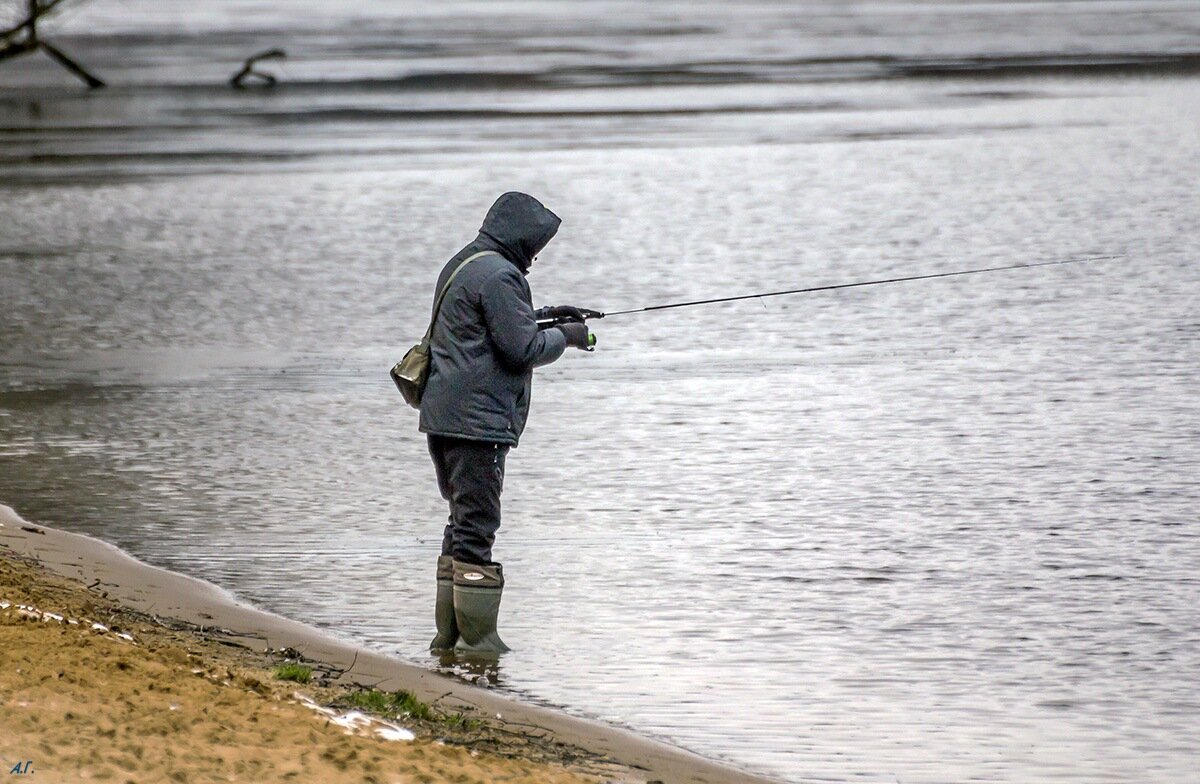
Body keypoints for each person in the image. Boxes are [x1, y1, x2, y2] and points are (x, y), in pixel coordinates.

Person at [419, 192, 595, 654]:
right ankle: (479, 644)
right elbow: (521, 349)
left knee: (462, 520)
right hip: (476, 425)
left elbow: (490, 326)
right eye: (534, 248)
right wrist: (567, 337)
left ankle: (450, 638)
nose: (534, 259)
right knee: (478, 524)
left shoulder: (468, 262)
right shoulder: (501, 274)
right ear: (519, 239)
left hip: (445, 418)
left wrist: (548, 317)